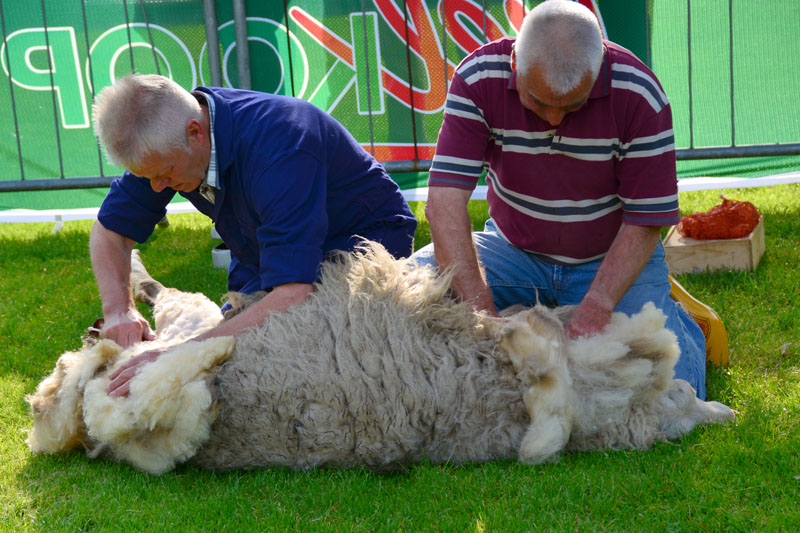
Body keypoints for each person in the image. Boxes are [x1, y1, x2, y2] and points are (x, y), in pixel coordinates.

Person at [414, 0, 708, 398]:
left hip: (606, 259)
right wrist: (481, 314)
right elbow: (445, 201)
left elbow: (645, 220)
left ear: (599, 67)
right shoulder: (478, 77)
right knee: (407, 293)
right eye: (537, 101)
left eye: (573, 105)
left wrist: (599, 305)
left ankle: (678, 318)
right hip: (510, 251)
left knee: (677, 385)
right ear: (515, 60)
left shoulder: (639, 94)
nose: (554, 119)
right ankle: (547, 315)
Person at [91, 74, 417, 397]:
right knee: (222, 358)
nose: (157, 188)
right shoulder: (165, 144)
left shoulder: (282, 145)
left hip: (361, 247)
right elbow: (110, 232)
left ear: (195, 133)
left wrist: (178, 354)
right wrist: (119, 311)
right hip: (267, 257)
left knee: (288, 367)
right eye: (147, 177)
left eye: (164, 175)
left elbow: (292, 293)